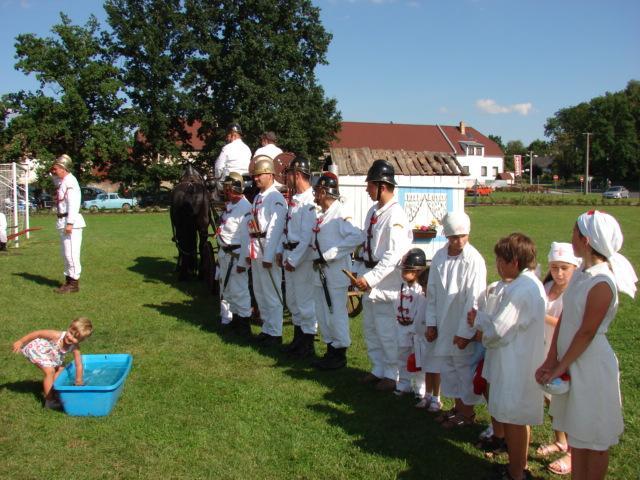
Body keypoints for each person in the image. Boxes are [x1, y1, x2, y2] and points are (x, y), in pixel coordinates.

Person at [536, 211, 637, 480]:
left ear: (587, 240)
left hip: (591, 367)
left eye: (574, 233)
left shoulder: (602, 282)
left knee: (594, 438)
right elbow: (566, 317)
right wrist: (551, 358)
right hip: (572, 360)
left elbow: (587, 332)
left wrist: (560, 367)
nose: (571, 237)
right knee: (578, 434)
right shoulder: (582, 273)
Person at [468, 233, 546, 480]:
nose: (498, 266)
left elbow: (498, 330)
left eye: (500, 260)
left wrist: (479, 321)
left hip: (515, 362)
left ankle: (517, 473)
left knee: (514, 419)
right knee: (514, 417)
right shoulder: (526, 285)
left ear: (514, 261)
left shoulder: (521, 290)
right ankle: (516, 467)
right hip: (517, 358)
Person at [353, 159, 413, 391]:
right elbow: (365, 246)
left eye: (370, 185)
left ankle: (392, 373)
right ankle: (378, 368)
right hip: (369, 276)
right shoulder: (373, 212)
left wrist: (370, 278)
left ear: (382, 186)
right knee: (371, 329)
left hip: (387, 283)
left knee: (387, 331)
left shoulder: (396, 215)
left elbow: (393, 254)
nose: (367, 189)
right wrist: (359, 273)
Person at [424, 211, 486, 427]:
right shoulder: (439, 257)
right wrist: (431, 323)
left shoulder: (474, 259)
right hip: (443, 322)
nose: (459, 241)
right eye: (454, 237)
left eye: (463, 236)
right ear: (447, 236)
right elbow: (432, 292)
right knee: (449, 367)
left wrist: (465, 333)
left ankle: (467, 412)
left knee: (463, 368)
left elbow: (475, 299)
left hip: (461, 322)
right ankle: (458, 407)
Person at [309, 172, 362, 369]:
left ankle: (339, 353)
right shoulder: (323, 215)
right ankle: (330, 349)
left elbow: (356, 236)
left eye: (317, 190)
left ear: (324, 192)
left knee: (336, 313)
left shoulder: (340, 212)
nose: (315, 194)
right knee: (323, 313)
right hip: (320, 272)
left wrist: (329, 255)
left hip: (335, 272)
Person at [535, 242, 580, 476]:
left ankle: (572, 451)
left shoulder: (575, 292)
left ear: (574, 268)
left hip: (565, 352)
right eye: (554, 267)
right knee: (549, 397)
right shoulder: (547, 286)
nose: (559, 273)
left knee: (566, 401)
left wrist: (540, 316)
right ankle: (560, 440)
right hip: (545, 348)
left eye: (564, 268)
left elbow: (570, 324)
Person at [244, 155, 287, 346]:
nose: (256, 178)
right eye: (255, 176)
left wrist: (269, 255)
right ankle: (267, 328)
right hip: (256, 248)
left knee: (271, 292)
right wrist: (249, 252)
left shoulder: (275, 198)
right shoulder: (258, 197)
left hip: (267, 249)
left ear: (270, 175)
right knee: (260, 292)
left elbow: (275, 229)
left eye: (259, 175)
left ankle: (275, 332)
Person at [280, 156, 318, 358]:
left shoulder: (310, 201)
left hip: (302, 258)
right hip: (290, 253)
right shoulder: (295, 199)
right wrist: (282, 252)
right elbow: (287, 228)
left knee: (305, 301)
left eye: (289, 175)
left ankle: (308, 343)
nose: (287, 178)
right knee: (292, 300)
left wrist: (293, 260)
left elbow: (307, 237)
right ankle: (298, 338)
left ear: (297, 175)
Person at [12, 317, 93, 409]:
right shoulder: (56, 335)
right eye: (70, 333)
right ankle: (49, 400)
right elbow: (38, 333)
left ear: (81, 340)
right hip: (38, 350)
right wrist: (21, 341)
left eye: (75, 338)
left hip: (51, 356)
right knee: (50, 371)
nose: (70, 337)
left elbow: (78, 365)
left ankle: (53, 388)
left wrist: (79, 380)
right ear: (69, 328)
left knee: (62, 369)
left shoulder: (75, 347)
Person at [216, 172, 253, 337]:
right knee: (228, 291)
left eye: (229, 188)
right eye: (226, 188)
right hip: (225, 255)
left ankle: (244, 325)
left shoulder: (245, 208)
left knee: (240, 291)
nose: (226, 191)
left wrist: (243, 262)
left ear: (236, 188)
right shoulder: (231, 206)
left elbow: (246, 238)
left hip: (236, 256)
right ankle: (235, 321)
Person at [394, 248, 428, 396]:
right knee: (402, 356)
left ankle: (420, 386)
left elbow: (421, 311)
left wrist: (416, 329)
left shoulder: (421, 290)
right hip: (402, 327)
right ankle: (404, 383)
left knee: (418, 358)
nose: (403, 273)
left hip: (416, 329)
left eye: (407, 270)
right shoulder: (401, 286)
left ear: (417, 271)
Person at [50, 154, 86, 293]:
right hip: (63, 221)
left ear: (63, 168)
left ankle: (73, 283)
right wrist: (52, 170)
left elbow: (73, 204)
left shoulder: (70, 182)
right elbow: (54, 178)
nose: (54, 171)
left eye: (56, 169)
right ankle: (68, 281)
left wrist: (70, 223)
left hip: (71, 222)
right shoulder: (62, 180)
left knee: (71, 254)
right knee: (66, 253)